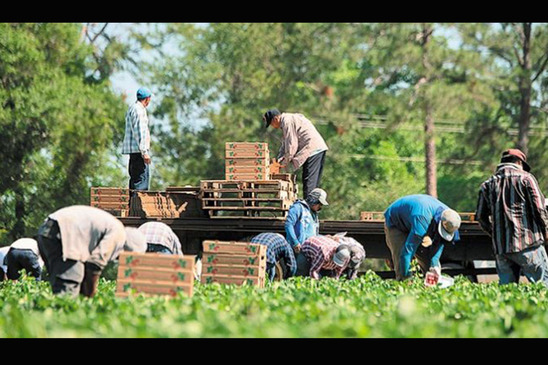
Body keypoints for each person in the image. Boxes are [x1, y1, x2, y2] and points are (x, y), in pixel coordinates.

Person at [36, 205, 147, 298]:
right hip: (62, 231)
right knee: (70, 286)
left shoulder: (112, 225)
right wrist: (90, 295)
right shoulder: (119, 234)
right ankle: (65, 319)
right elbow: (94, 264)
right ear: (128, 249)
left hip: (46, 230)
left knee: (61, 282)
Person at [476, 148, 548, 287]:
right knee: (543, 287)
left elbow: (480, 217)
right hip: (528, 245)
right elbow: (539, 209)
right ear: (519, 162)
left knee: (507, 292)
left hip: (502, 249)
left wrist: (494, 233)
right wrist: (545, 230)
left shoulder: (487, 184)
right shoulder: (526, 178)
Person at [384, 194, 462, 281]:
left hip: (414, 217)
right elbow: (407, 251)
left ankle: (429, 286)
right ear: (439, 223)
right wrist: (406, 278)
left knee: (427, 260)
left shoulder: (451, 220)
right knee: (400, 257)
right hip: (396, 222)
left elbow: (437, 246)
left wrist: (434, 267)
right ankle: (404, 285)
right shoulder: (422, 220)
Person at [263, 109, 328, 199]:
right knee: (313, 186)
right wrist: (278, 160)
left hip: (313, 149)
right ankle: (312, 209)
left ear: (275, 119)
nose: (273, 126)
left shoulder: (287, 122)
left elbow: (291, 146)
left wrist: (284, 163)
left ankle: (308, 210)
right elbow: (285, 145)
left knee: (309, 185)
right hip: (319, 148)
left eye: (271, 124)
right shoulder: (288, 120)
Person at [285, 188, 328, 275]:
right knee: (299, 272)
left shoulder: (314, 214)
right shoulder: (298, 207)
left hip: (309, 249)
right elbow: (289, 225)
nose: (320, 207)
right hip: (298, 248)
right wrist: (295, 242)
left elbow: (313, 233)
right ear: (314, 200)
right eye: (319, 204)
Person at [122, 87, 153, 191]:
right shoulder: (139, 110)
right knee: (141, 183)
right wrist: (144, 152)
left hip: (134, 153)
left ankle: (133, 205)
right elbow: (140, 132)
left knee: (135, 181)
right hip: (139, 153)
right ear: (147, 99)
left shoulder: (132, 108)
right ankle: (138, 206)